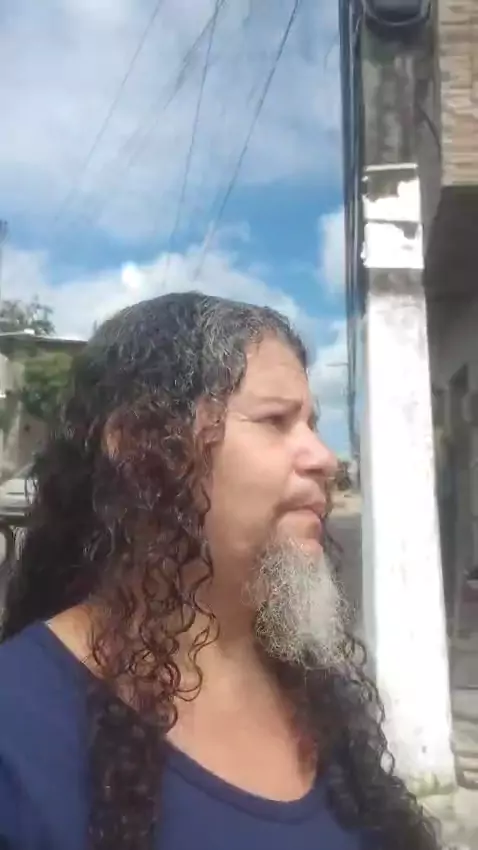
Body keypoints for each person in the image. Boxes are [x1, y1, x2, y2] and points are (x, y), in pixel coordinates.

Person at [0, 293, 438, 850]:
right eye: (275, 420)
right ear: (138, 446)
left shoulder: (313, 687)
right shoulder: (18, 727)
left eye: (311, 424)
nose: (325, 458)